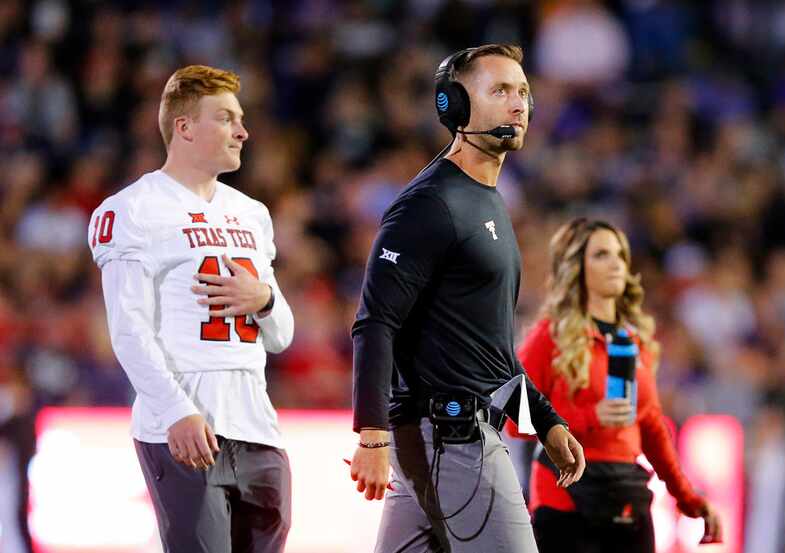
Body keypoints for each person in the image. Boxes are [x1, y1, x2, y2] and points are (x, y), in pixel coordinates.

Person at [349, 44, 585, 553]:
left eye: (523, 91)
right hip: (453, 441)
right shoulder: (430, 204)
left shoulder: (487, 201)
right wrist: (371, 436)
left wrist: (544, 422)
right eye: (500, 90)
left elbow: (485, 352)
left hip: (439, 439)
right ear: (452, 106)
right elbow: (376, 323)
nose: (519, 104)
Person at [88, 65, 294, 553]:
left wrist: (263, 300)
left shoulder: (252, 213)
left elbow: (282, 333)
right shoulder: (133, 208)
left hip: (257, 421)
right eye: (225, 118)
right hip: (185, 422)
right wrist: (176, 410)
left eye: (239, 118)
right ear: (183, 128)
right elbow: (129, 328)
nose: (242, 131)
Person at [506, 218, 723, 552]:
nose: (616, 264)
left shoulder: (634, 341)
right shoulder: (548, 337)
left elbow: (651, 428)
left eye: (620, 255)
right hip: (566, 503)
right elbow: (516, 421)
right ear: (576, 268)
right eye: (602, 255)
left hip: (628, 496)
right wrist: (589, 417)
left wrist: (687, 496)